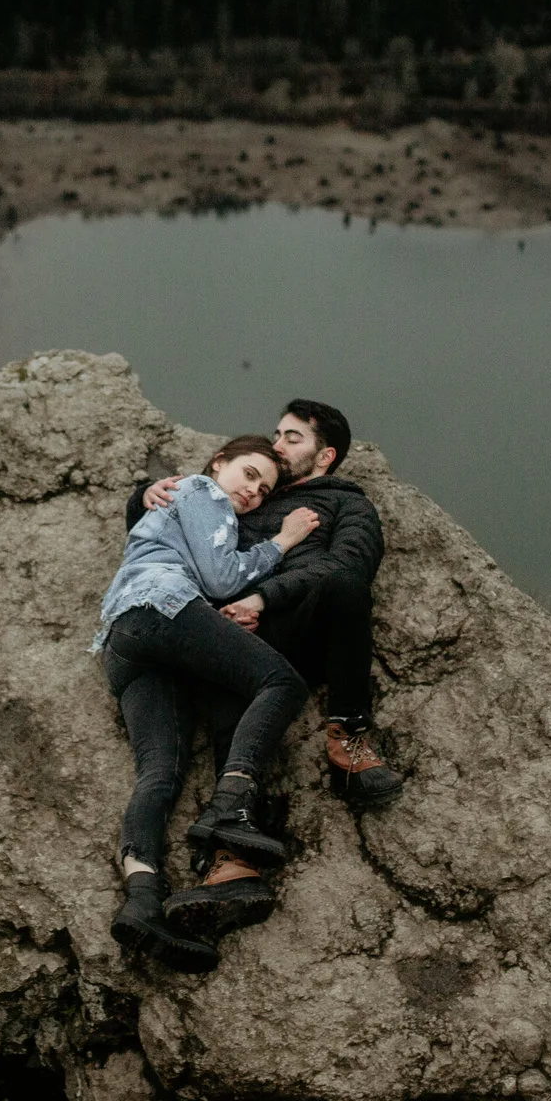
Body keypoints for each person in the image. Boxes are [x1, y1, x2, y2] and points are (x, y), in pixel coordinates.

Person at [129, 399, 399, 941]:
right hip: (222, 629)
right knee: (237, 703)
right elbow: (174, 532)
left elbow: (348, 567)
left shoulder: (349, 506)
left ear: (325, 456)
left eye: (292, 438)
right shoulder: (250, 494)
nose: (277, 444)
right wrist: (144, 495)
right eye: (277, 433)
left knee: (343, 593)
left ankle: (349, 736)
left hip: (299, 620)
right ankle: (230, 865)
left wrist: (264, 599)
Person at [95, 434, 321, 973]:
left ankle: (144, 896)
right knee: (281, 683)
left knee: (160, 773)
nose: (252, 493)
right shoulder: (199, 489)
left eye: (264, 490)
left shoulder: (180, 501)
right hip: (163, 605)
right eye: (248, 474)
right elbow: (221, 577)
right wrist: (284, 541)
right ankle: (229, 804)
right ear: (219, 464)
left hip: (125, 643)